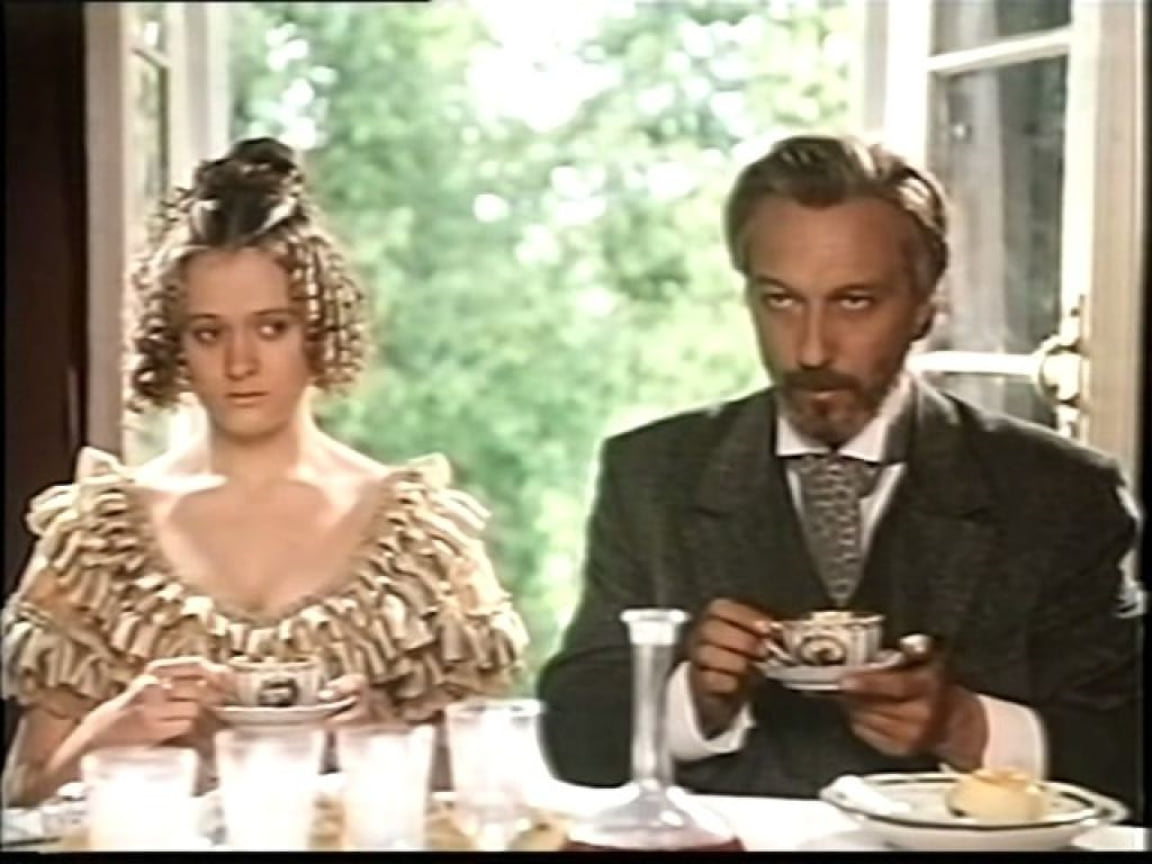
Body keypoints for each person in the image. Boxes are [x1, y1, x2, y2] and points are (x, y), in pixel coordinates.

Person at [537, 135, 1144, 815]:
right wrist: (692, 701)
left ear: (925, 307)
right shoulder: (653, 476)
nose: (811, 350)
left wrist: (963, 726)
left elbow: (1126, 752)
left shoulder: (1059, 494)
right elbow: (572, 736)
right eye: (781, 300)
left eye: (854, 302)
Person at [1, 137, 528, 806]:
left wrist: (382, 741)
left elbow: (494, 799)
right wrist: (114, 730)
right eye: (209, 333)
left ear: (317, 332)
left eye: (271, 328)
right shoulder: (95, 540)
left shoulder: (420, 539)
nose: (240, 363)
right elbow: (21, 807)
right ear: (176, 346)